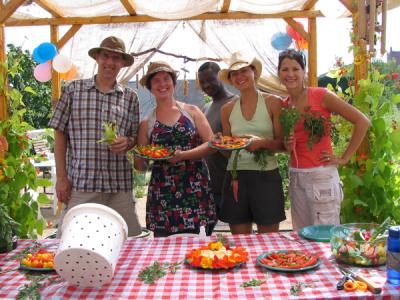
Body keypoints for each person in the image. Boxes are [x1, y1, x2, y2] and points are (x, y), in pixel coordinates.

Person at [48, 36, 142, 237]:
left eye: (116, 58)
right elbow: (59, 134)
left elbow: (134, 137)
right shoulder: (74, 90)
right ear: (97, 57)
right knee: (72, 241)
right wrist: (62, 178)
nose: (110, 62)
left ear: (122, 64)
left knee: (130, 241)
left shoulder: (130, 97)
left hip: (119, 185)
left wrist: (127, 142)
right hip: (83, 184)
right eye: (106, 56)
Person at [277, 49, 370, 230]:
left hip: (321, 176)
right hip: (296, 176)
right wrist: (287, 145)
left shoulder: (320, 95)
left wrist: (344, 158)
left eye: (295, 69)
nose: (290, 74)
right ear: (278, 73)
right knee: (302, 237)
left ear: (304, 72)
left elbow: (362, 121)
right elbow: (288, 145)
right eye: (285, 69)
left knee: (325, 238)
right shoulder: (285, 105)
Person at [134, 61, 217, 237]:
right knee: (165, 248)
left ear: (173, 82)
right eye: (156, 80)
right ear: (150, 87)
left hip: (195, 187)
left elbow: (211, 144)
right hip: (163, 193)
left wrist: (183, 155)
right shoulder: (146, 123)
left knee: (198, 244)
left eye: (166, 78)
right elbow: (141, 166)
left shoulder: (192, 111)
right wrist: (136, 152)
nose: (162, 84)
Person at [218, 53, 286, 234]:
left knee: (269, 238)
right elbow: (228, 146)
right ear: (231, 80)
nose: (239, 77)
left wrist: (262, 143)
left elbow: (284, 145)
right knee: (240, 241)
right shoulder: (227, 110)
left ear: (254, 72)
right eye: (234, 74)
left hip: (266, 176)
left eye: (244, 71)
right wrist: (220, 142)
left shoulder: (273, 102)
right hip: (235, 176)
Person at [197, 62, 238, 217]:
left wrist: (219, 144)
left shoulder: (235, 104)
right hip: (210, 186)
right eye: (202, 82)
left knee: (239, 234)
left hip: (230, 184)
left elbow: (239, 148)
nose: (206, 85)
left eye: (210, 80)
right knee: (207, 237)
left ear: (220, 76)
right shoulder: (206, 109)